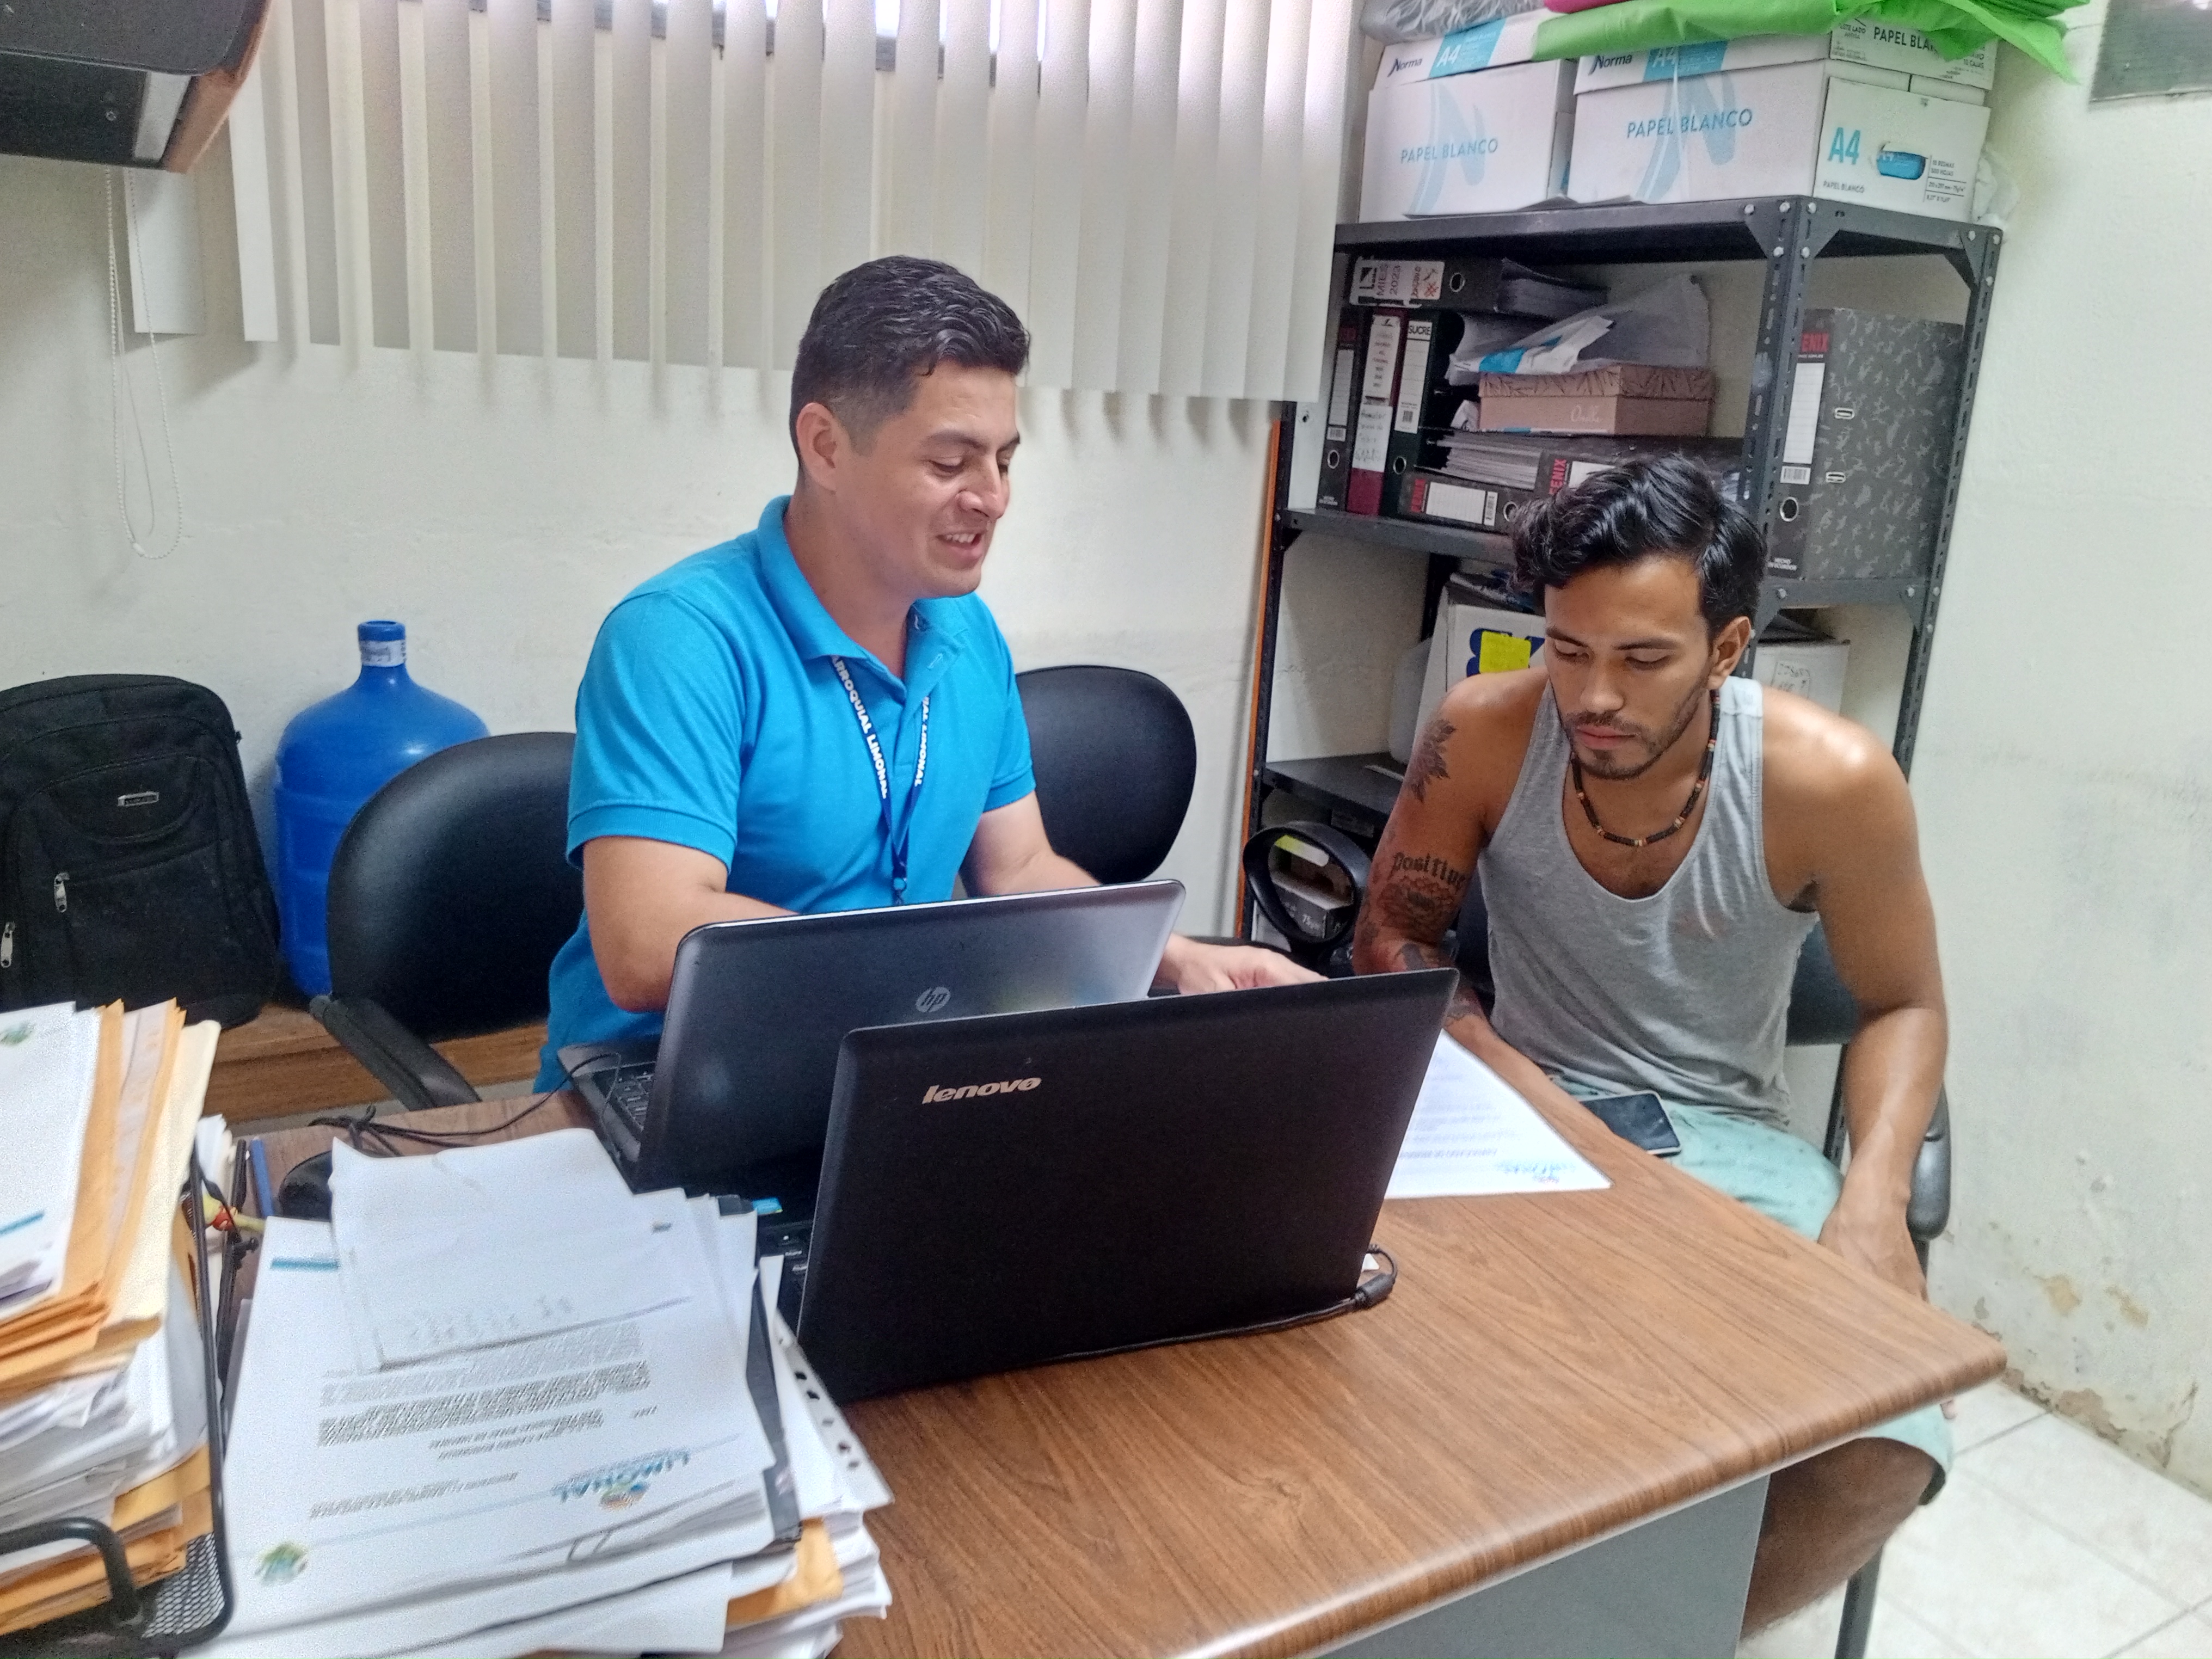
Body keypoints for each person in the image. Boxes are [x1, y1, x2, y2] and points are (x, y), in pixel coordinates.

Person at [1351, 455, 1950, 1632]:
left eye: (1641, 659)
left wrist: (1875, 1201)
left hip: (1725, 1135)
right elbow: (1392, 937)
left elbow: (1905, 1002)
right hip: (1513, 1105)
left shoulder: (1833, 781)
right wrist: (1519, 1084)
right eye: (1567, 650)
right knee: (1377, 1361)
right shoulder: (1483, 731)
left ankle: (1658, 1636)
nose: (1593, 697)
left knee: (1884, 1446)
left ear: (1726, 649)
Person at [539, 256, 1306, 1084]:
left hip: (886, 1061)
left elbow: (1017, 869)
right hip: (673, 1075)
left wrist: (1176, 960)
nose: (993, 498)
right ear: (826, 447)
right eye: (950, 464)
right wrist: (918, 973)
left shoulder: (966, 633)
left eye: (1004, 460)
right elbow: (649, 941)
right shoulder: (680, 639)